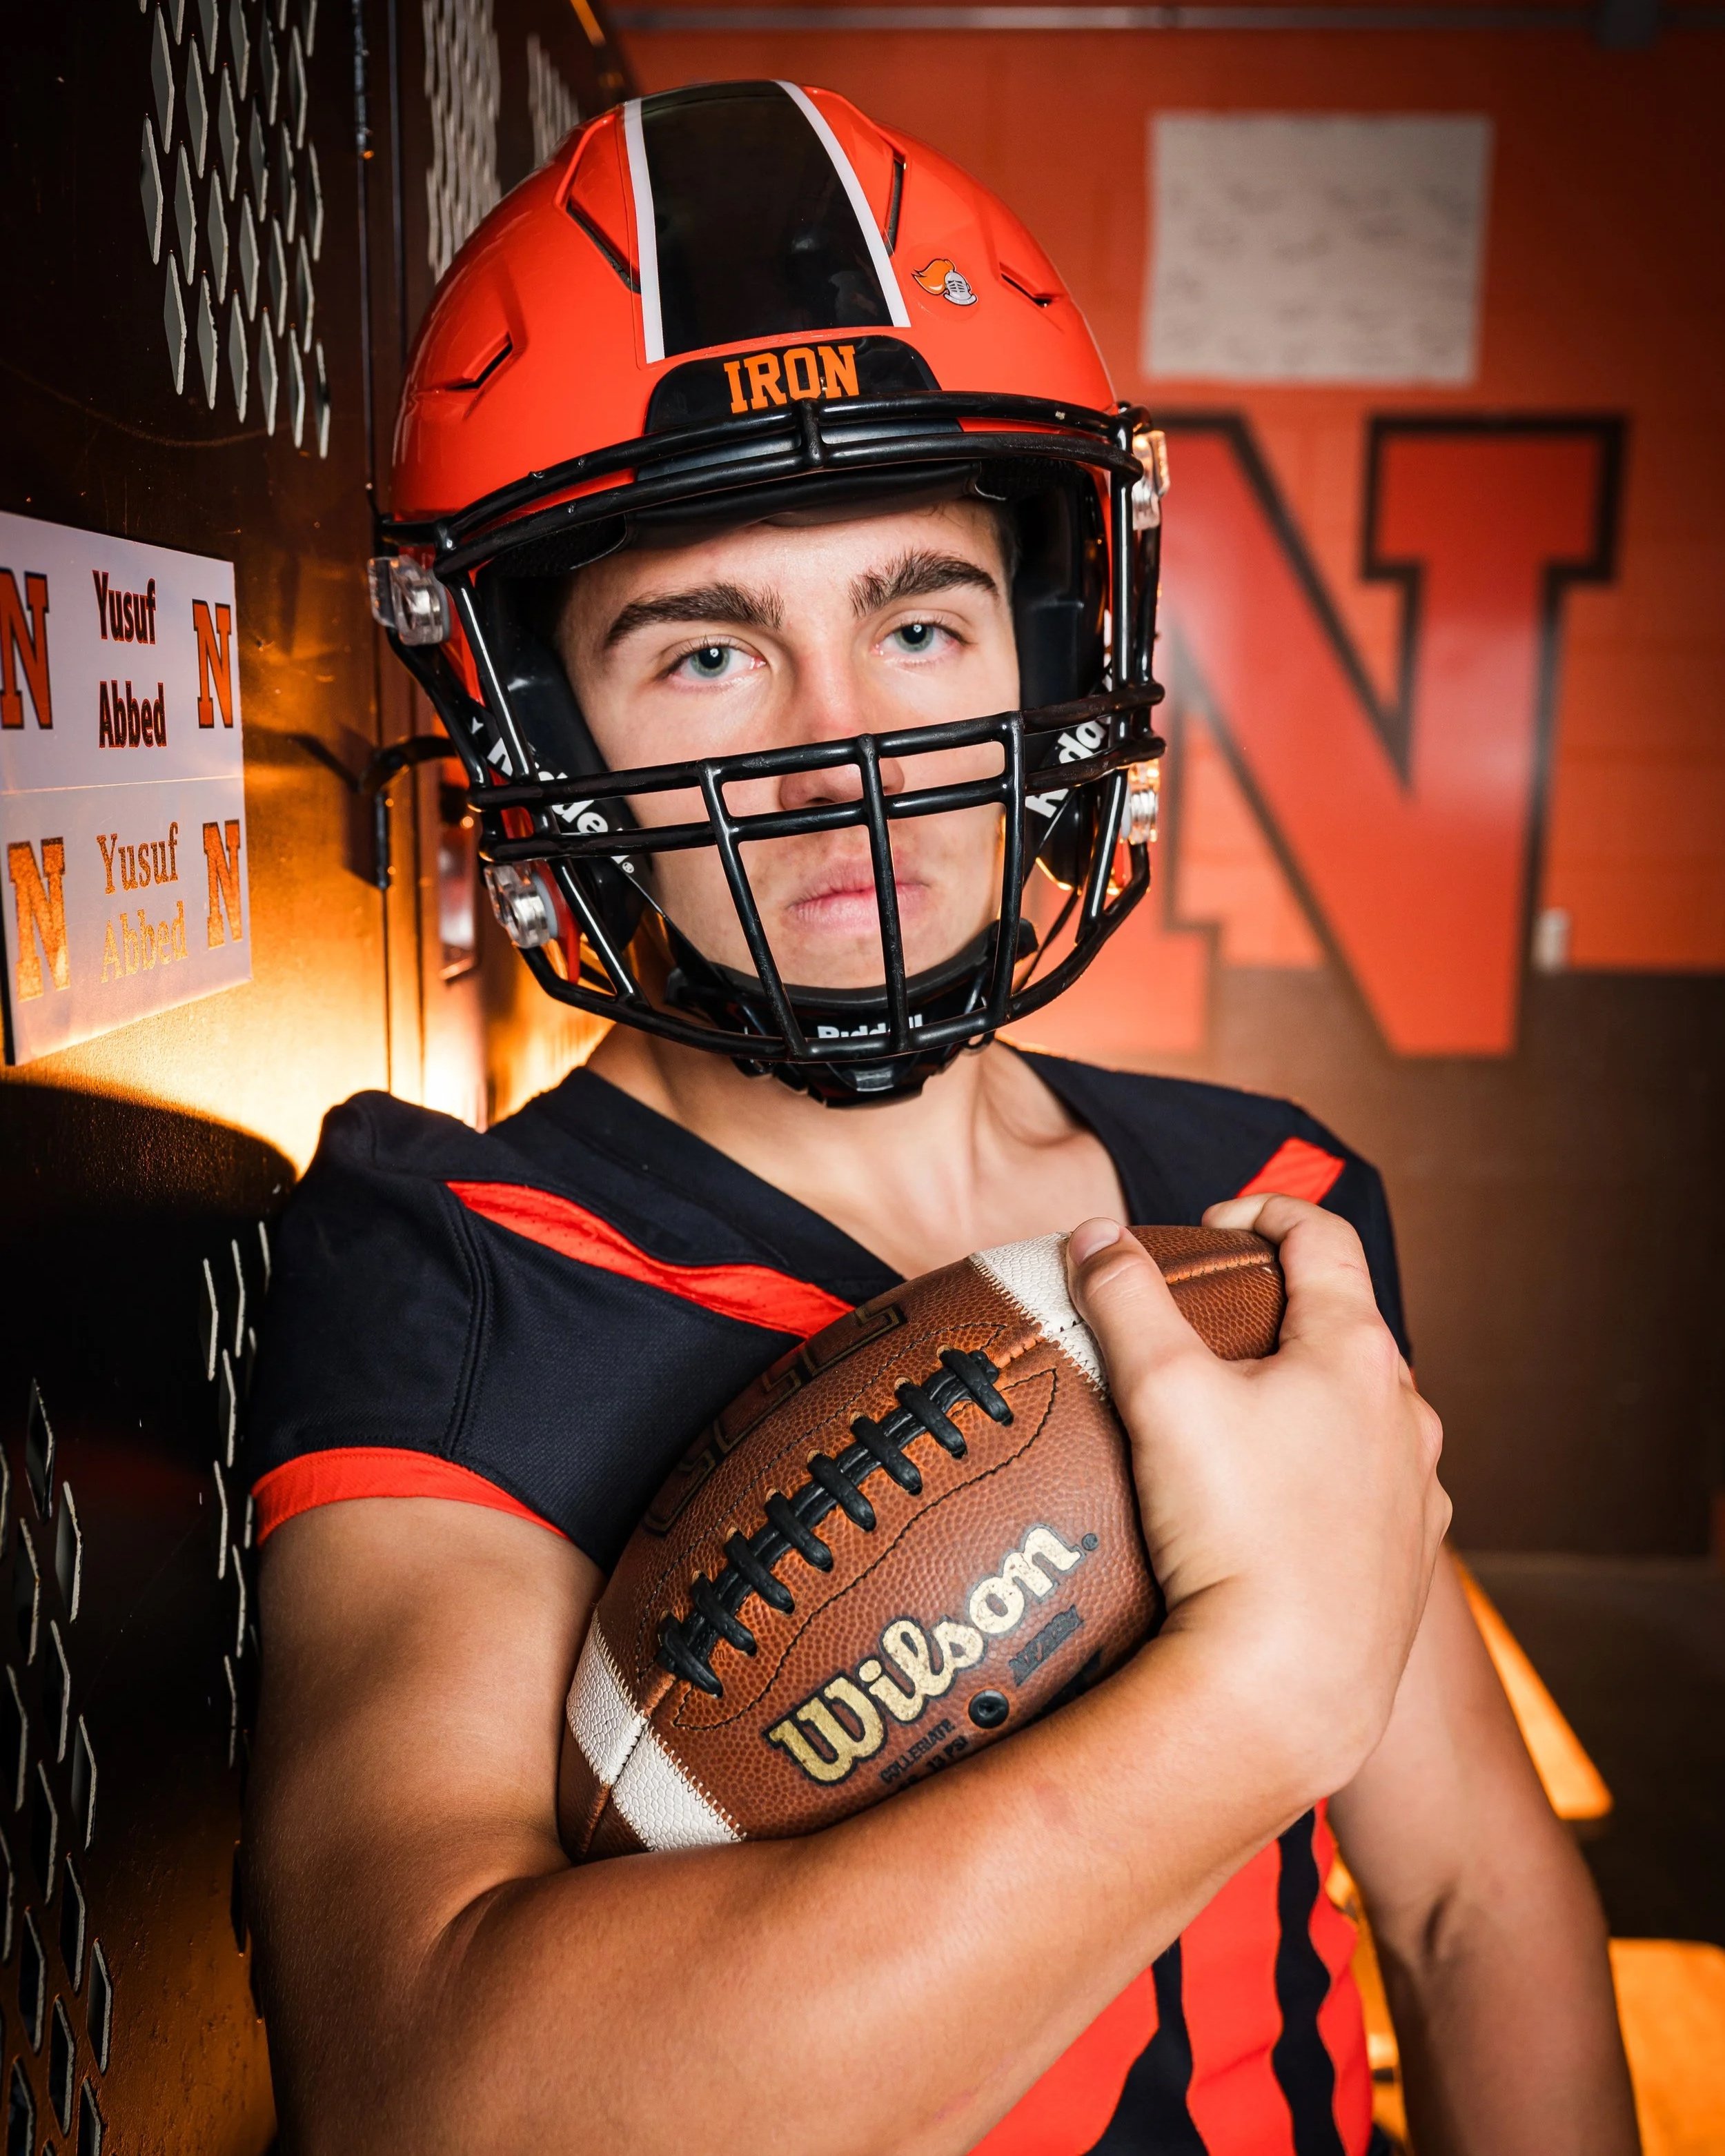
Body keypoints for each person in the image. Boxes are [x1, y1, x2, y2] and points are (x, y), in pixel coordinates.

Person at [244, 81, 1635, 2155]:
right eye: (705, 654)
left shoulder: (1262, 1206)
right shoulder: (460, 1279)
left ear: (1049, 650)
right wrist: (1253, 1694)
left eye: (916, 623)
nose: (847, 755)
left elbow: (1457, 1904)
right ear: (539, 734)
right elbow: (435, 2102)